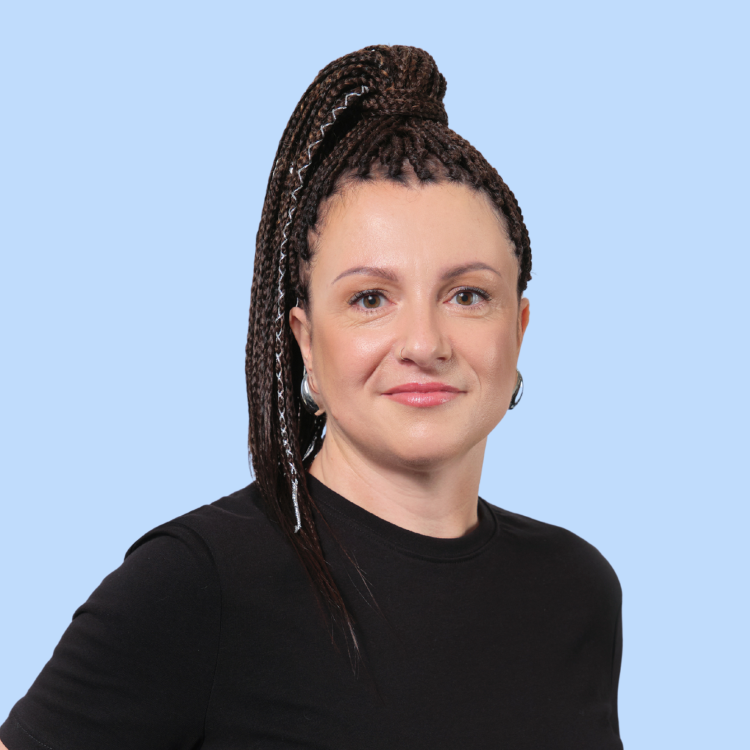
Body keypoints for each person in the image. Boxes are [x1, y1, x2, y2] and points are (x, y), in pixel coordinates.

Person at [0, 45, 623, 749]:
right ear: (305, 343)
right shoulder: (197, 586)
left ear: (518, 329)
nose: (424, 342)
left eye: (468, 295)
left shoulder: (576, 590)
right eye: (370, 298)